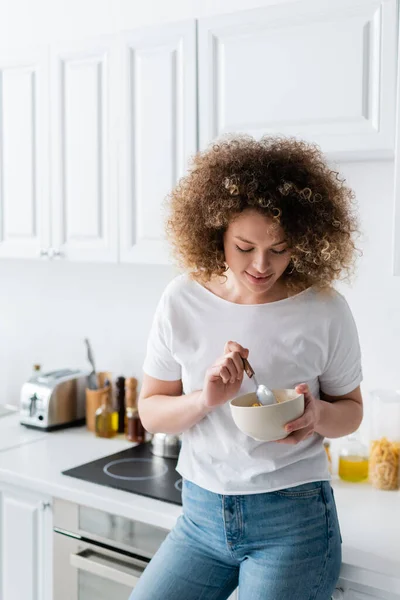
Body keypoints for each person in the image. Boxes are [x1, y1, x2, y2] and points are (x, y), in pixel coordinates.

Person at [130, 135, 363, 600]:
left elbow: (351, 411)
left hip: (292, 523)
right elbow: (151, 411)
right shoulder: (182, 300)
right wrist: (205, 399)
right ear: (215, 232)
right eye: (244, 246)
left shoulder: (324, 309)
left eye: (279, 249)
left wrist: (318, 416)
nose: (261, 265)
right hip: (199, 516)